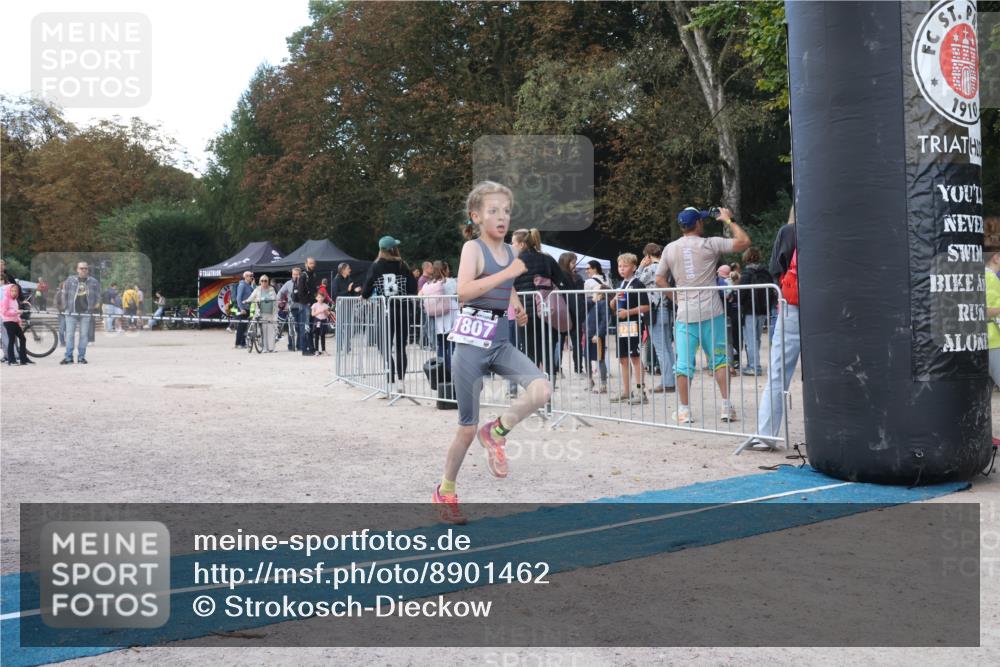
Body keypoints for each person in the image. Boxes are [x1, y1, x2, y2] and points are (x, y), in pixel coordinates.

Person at [432, 181, 552, 524]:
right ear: (476, 216)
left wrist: (516, 303)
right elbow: (464, 292)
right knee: (466, 429)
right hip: (470, 345)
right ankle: (446, 490)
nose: (502, 217)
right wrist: (509, 273)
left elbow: (507, 283)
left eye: (507, 211)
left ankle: (496, 431)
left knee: (542, 389)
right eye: (493, 211)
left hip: (498, 342)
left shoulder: (509, 253)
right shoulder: (473, 249)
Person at [656, 206, 751, 424]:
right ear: (698, 223)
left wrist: (676, 298)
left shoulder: (670, 248)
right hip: (712, 312)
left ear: (682, 226)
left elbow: (660, 278)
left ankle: (684, 410)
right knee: (719, 360)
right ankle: (726, 407)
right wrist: (728, 220)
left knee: (683, 364)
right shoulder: (711, 243)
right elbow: (744, 241)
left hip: (685, 314)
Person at [751, 206, 798, 451]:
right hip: (828, 310)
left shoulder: (789, 232)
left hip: (793, 307)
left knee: (778, 372)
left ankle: (767, 435)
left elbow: (776, 268)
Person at [511, 228, 569, 388]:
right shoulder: (546, 259)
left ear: (522, 244)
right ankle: (549, 388)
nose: (511, 245)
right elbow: (563, 282)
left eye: (513, 243)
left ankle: (535, 390)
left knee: (530, 352)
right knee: (548, 350)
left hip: (524, 312)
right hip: (547, 311)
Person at [362, 237, 418, 392]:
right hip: (403, 308)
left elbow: (366, 289)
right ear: (393, 249)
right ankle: (401, 381)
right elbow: (413, 287)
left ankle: (390, 379)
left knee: (384, 345)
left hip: (386, 309)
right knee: (401, 346)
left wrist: (364, 295)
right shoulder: (403, 265)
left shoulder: (375, 266)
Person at [611, 254, 651, 404]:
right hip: (621, 325)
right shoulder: (622, 284)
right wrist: (613, 300)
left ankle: (641, 392)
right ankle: (627, 392)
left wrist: (628, 312)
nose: (621, 269)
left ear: (634, 267)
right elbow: (613, 306)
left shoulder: (638, 284)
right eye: (620, 266)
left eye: (625, 266)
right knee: (623, 358)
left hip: (633, 324)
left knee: (634, 356)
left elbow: (646, 306)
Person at [637, 243, 676, 394]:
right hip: (666, 309)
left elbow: (636, 283)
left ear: (647, 256)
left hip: (654, 311)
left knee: (661, 349)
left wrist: (640, 267)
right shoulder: (666, 267)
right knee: (668, 347)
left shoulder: (649, 268)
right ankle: (672, 379)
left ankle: (667, 383)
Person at [738, 247, 772, 375]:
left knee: (750, 339)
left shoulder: (746, 274)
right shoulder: (765, 273)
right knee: (757, 338)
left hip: (749, 310)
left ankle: (754, 366)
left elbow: (742, 294)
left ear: (746, 258)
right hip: (763, 310)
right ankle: (754, 363)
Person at [420, 260, 459, 373]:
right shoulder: (450, 282)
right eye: (447, 269)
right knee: (451, 344)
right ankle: (451, 370)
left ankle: (441, 370)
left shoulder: (428, 284)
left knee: (441, 345)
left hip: (438, 318)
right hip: (451, 314)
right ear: (443, 270)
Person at [61, 261, 101, 365]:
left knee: (84, 336)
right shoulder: (70, 280)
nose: (84, 270)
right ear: (77, 269)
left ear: (88, 270)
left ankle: (81, 357)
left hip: (86, 312)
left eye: (85, 268)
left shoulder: (94, 281)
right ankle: (68, 357)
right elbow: (64, 294)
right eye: (81, 268)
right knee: (69, 335)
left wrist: (96, 305)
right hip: (71, 311)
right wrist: (65, 307)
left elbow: (98, 295)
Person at [557, 252, 585, 374]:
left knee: (576, 342)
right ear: (566, 262)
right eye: (573, 262)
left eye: (575, 262)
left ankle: (578, 368)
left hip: (574, 313)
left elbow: (580, 295)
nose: (575, 265)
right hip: (563, 313)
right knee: (560, 342)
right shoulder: (560, 276)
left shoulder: (577, 277)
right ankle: (558, 368)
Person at [584, 279, 609, 393]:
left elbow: (604, 321)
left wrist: (599, 334)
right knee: (587, 357)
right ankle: (590, 380)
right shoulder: (592, 303)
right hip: (588, 334)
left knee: (600, 359)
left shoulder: (603, 304)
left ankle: (603, 384)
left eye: (597, 288)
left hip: (597, 335)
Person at [331, 263, 361, 353]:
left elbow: (351, 293)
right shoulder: (336, 280)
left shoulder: (349, 279)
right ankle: (339, 347)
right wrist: (347, 290)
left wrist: (356, 292)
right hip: (341, 306)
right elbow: (335, 295)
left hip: (349, 306)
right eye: (348, 268)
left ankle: (347, 346)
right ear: (343, 270)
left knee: (348, 327)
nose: (350, 270)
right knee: (341, 326)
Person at [247, 275, 278, 353]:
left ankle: (271, 348)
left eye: (265, 281)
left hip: (271, 313)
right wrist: (247, 300)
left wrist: (265, 299)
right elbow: (251, 297)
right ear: (260, 282)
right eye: (262, 281)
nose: (264, 282)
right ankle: (264, 348)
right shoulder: (257, 289)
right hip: (261, 313)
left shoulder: (271, 289)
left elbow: (273, 297)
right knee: (263, 331)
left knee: (271, 331)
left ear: (268, 281)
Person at [2, 283, 31, 365]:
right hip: (8, 322)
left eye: (15, 291)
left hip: (15, 322)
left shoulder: (14, 300)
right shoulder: (6, 300)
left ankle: (23, 359)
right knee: (11, 340)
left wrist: (19, 322)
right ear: (9, 291)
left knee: (22, 339)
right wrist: (16, 312)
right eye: (12, 291)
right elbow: (4, 312)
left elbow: (16, 314)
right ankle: (11, 360)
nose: (14, 292)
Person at [296, 258, 320, 356]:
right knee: (305, 327)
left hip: (312, 304)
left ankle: (311, 348)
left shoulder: (313, 275)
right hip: (305, 305)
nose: (312, 265)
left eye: (313, 263)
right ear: (306, 264)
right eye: (310, 263)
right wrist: (308, 302)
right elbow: (300, 293)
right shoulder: (303, 276)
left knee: (310, 326)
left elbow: (314, 290)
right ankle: (304, 349)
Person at [277, 267, 301, 351]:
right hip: (291, 307)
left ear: (300, 275)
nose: (295, 276)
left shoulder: (303, 282)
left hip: (301, 308)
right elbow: (280, 292)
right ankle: (291, 346)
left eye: (297, 274)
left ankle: (299, 346)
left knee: (300, 327)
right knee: (291, 327)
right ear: (292, 274)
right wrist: (279, 301)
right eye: (294, 274)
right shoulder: (288, 283)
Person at [234, 271, 255, 348]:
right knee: (241, 327)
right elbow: (238, 298)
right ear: (245, 276)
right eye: (250, 276)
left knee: (244, 326)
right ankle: (238, 343)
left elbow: (254, 293)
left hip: (247, 308)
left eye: (252, 276)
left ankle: (243, 343)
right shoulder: (242, 285)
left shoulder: (248, 285)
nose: (251, 277)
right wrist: (241, 308)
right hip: (243, 309)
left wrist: (254, 284)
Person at [54, 280, 67, 346]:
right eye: (64, 285)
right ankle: (62, 342)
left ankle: (68, 341)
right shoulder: (59, 293)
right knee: (62, 328)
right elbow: (56, 303)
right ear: (62, 286)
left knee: (68, 329)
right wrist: (60, 309)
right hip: (61, 313)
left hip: (69, 313)